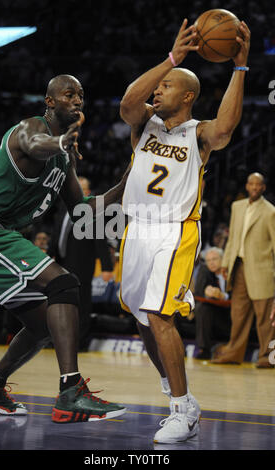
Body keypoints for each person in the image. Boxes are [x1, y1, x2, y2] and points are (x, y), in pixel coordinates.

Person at [119, 18, 250, 443]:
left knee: (159, 314)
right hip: (136, 228)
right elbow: (127, 103)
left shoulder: (199, 135)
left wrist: (240, 68)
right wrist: (172, 59)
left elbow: (226, 128)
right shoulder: (143, 123)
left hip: (174, 232)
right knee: (140, 314)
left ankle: (181, 409)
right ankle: (175, 388)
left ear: (189, 96)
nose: (158, 90)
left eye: (168, 85)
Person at [0, 74, 129, 422]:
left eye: (81, 95)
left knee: (46, 322)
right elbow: (35, 145)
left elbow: (82, 211)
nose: (77, 100)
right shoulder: (30, 129)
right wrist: (61, 142)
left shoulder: (64, 160)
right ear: (50, 102)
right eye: (68, 94)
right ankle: (70, 392)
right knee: (64, 283)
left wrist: (127, 182)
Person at [211, 173, 275, 368]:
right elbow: (233, 239)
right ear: (247, 186)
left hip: (262, 269)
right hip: (238, 266)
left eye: (258, 185)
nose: (254, 187)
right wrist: (225, 263)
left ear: (263, 188)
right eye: (251, 184)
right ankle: (233, 353)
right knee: (238, 314)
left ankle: (268, 357)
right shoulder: (236, 207)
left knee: (265, 317)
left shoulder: (270, 211)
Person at [57, 176, 114, 349]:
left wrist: (106, 267)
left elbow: (100, 241)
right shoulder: (63, 208)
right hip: (61, 265)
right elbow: (56, 236)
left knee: (81, 305)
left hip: (82, 266)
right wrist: (51, 255)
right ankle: (60, 341)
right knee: (61, 305)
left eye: (81, 188)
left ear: (88, 192)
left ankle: (80, 342)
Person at [194, 247, 231, 360]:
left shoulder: (231, 271)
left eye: (214, 259)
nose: (211, 263)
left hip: (231, 314)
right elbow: (199, 292)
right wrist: (207, 293)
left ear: (222, 259)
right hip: (215, 315)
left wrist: (222, 296)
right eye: (208, 260)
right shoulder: (205, 272)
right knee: (203, 307)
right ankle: (204, 350)